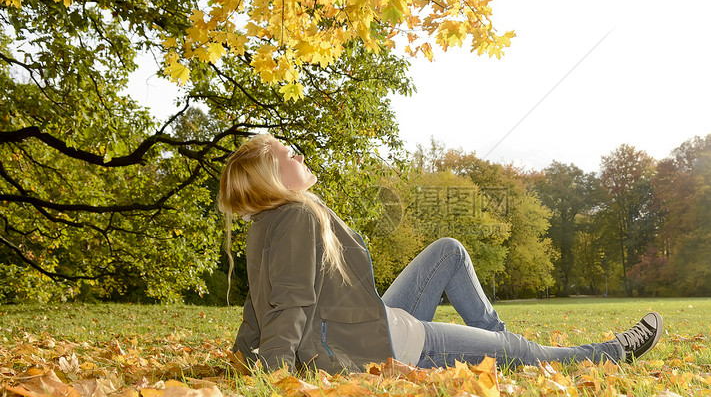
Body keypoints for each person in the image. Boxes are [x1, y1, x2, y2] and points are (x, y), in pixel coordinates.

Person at [218, 134, 663, 373]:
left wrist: (242, 358)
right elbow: (289, 303)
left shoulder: (265, 225)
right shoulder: (296, 218)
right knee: (514, 349)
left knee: (448, 252)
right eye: (287, 152)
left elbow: (257, 308)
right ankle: (604, 352)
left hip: (366, 325)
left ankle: (503, 345)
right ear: (274, 176)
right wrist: (275, 379)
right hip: (378, 346)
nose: (298, 153)